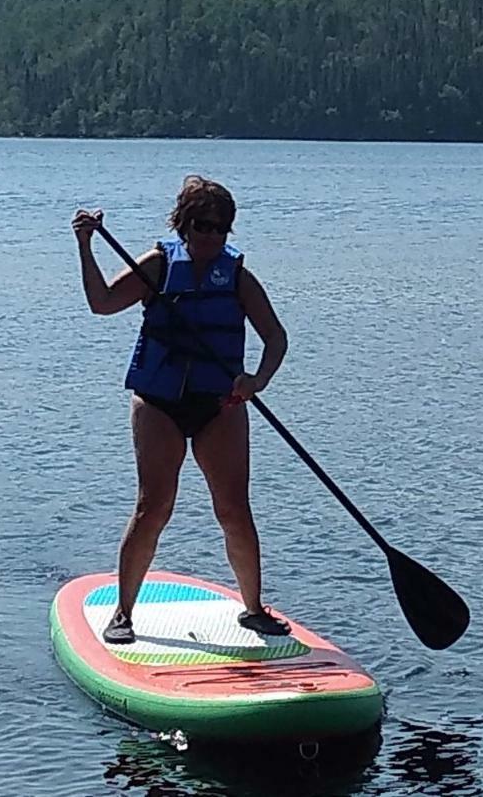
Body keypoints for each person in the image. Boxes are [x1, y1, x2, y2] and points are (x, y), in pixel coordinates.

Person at [72, 175, 291, 645]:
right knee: (154, 507)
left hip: (221, 405)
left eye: (220, 228)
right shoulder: (156, 265)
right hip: (160, 404)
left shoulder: (236, 276)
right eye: (202, 226)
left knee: (234, 510)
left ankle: (253, 609)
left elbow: (276, 337)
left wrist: (257, 380)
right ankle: (124, 613)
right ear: (184, 225)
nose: (211, 236)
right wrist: (86, 245)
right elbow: (102, 303)